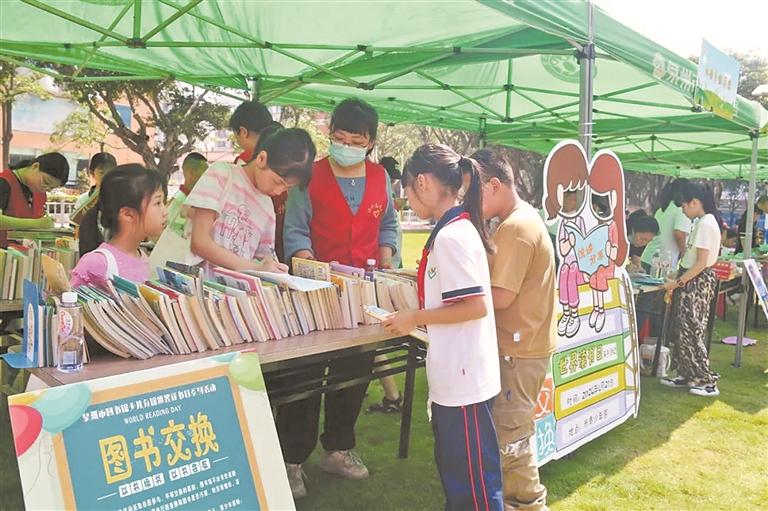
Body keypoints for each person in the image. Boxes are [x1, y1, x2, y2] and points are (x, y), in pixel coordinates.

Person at [279, 98, 398, 499]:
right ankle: (291, 460)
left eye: (356, 141)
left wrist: (387, 255)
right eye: (339, 138)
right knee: (306, 378)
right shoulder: (310, 176)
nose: (346, 146)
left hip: (363, 295)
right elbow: (295, 230)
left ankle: (338, 449)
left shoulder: (380, 177)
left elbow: (389, 223)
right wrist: (310, 265)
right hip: (315, 294)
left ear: (371, 142)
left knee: (354, 375)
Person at [382, 144, 502, 511]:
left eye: (406, 190)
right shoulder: (454, 230)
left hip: (464, 379)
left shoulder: (452, 236)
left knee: (474, 489)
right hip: (459, 374)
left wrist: (414, 318)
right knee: (461, 480)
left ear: (422, 182)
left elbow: (474, 306)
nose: (406, 199)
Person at [473, 148, 555, 511]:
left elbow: (502, 296)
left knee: (511, 440)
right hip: (524, 346)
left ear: (493, 185)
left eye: (473, 191)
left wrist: (457, 298)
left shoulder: (516, 228)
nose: (469, 201)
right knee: (511, 434)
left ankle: (528, 503)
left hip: (518, 350)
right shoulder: (522, 219)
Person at [184, 126, 314, 276]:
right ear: (261, 159)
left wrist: (274, 269)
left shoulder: (267, 207)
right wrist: (255, 268)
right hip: (199, 283)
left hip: (234, 289)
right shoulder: (221, 175)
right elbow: (200, 242)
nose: (278, 191)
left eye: (286, 188)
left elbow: (264, 259)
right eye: (278, 182)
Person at [661, 182, 723, 397]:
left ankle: (706, 380)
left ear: (695, 203)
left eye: (684, 205)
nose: (683, 210)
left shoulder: (705, 223)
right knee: (682, 328)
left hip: (695, 282)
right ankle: (687, 374)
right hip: (691, 278)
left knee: (692, 329)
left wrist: (678, 282)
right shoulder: (703, 222)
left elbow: (701, 263)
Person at [70, 165, 167, 288]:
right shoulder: (97, 263)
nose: (165, 211)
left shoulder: (144, 259)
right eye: (157, 203)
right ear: (128, 214)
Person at [230, 100, 289, 261]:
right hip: (278, 241)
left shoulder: (243, 162)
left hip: (249, 245)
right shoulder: (285, 160)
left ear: (243, 131)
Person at [0, 152, 69, 247]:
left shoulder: (39, 193)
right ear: (35, 166)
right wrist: (37, 223)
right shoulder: (4, 182)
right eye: (45, 182)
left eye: (51, 188)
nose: (46, 189)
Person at [640, 179, 692, 273]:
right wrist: (684, 253)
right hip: (661, 263)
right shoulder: (681, 210)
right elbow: (679, 233)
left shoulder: (662, 209)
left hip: (649, 258)